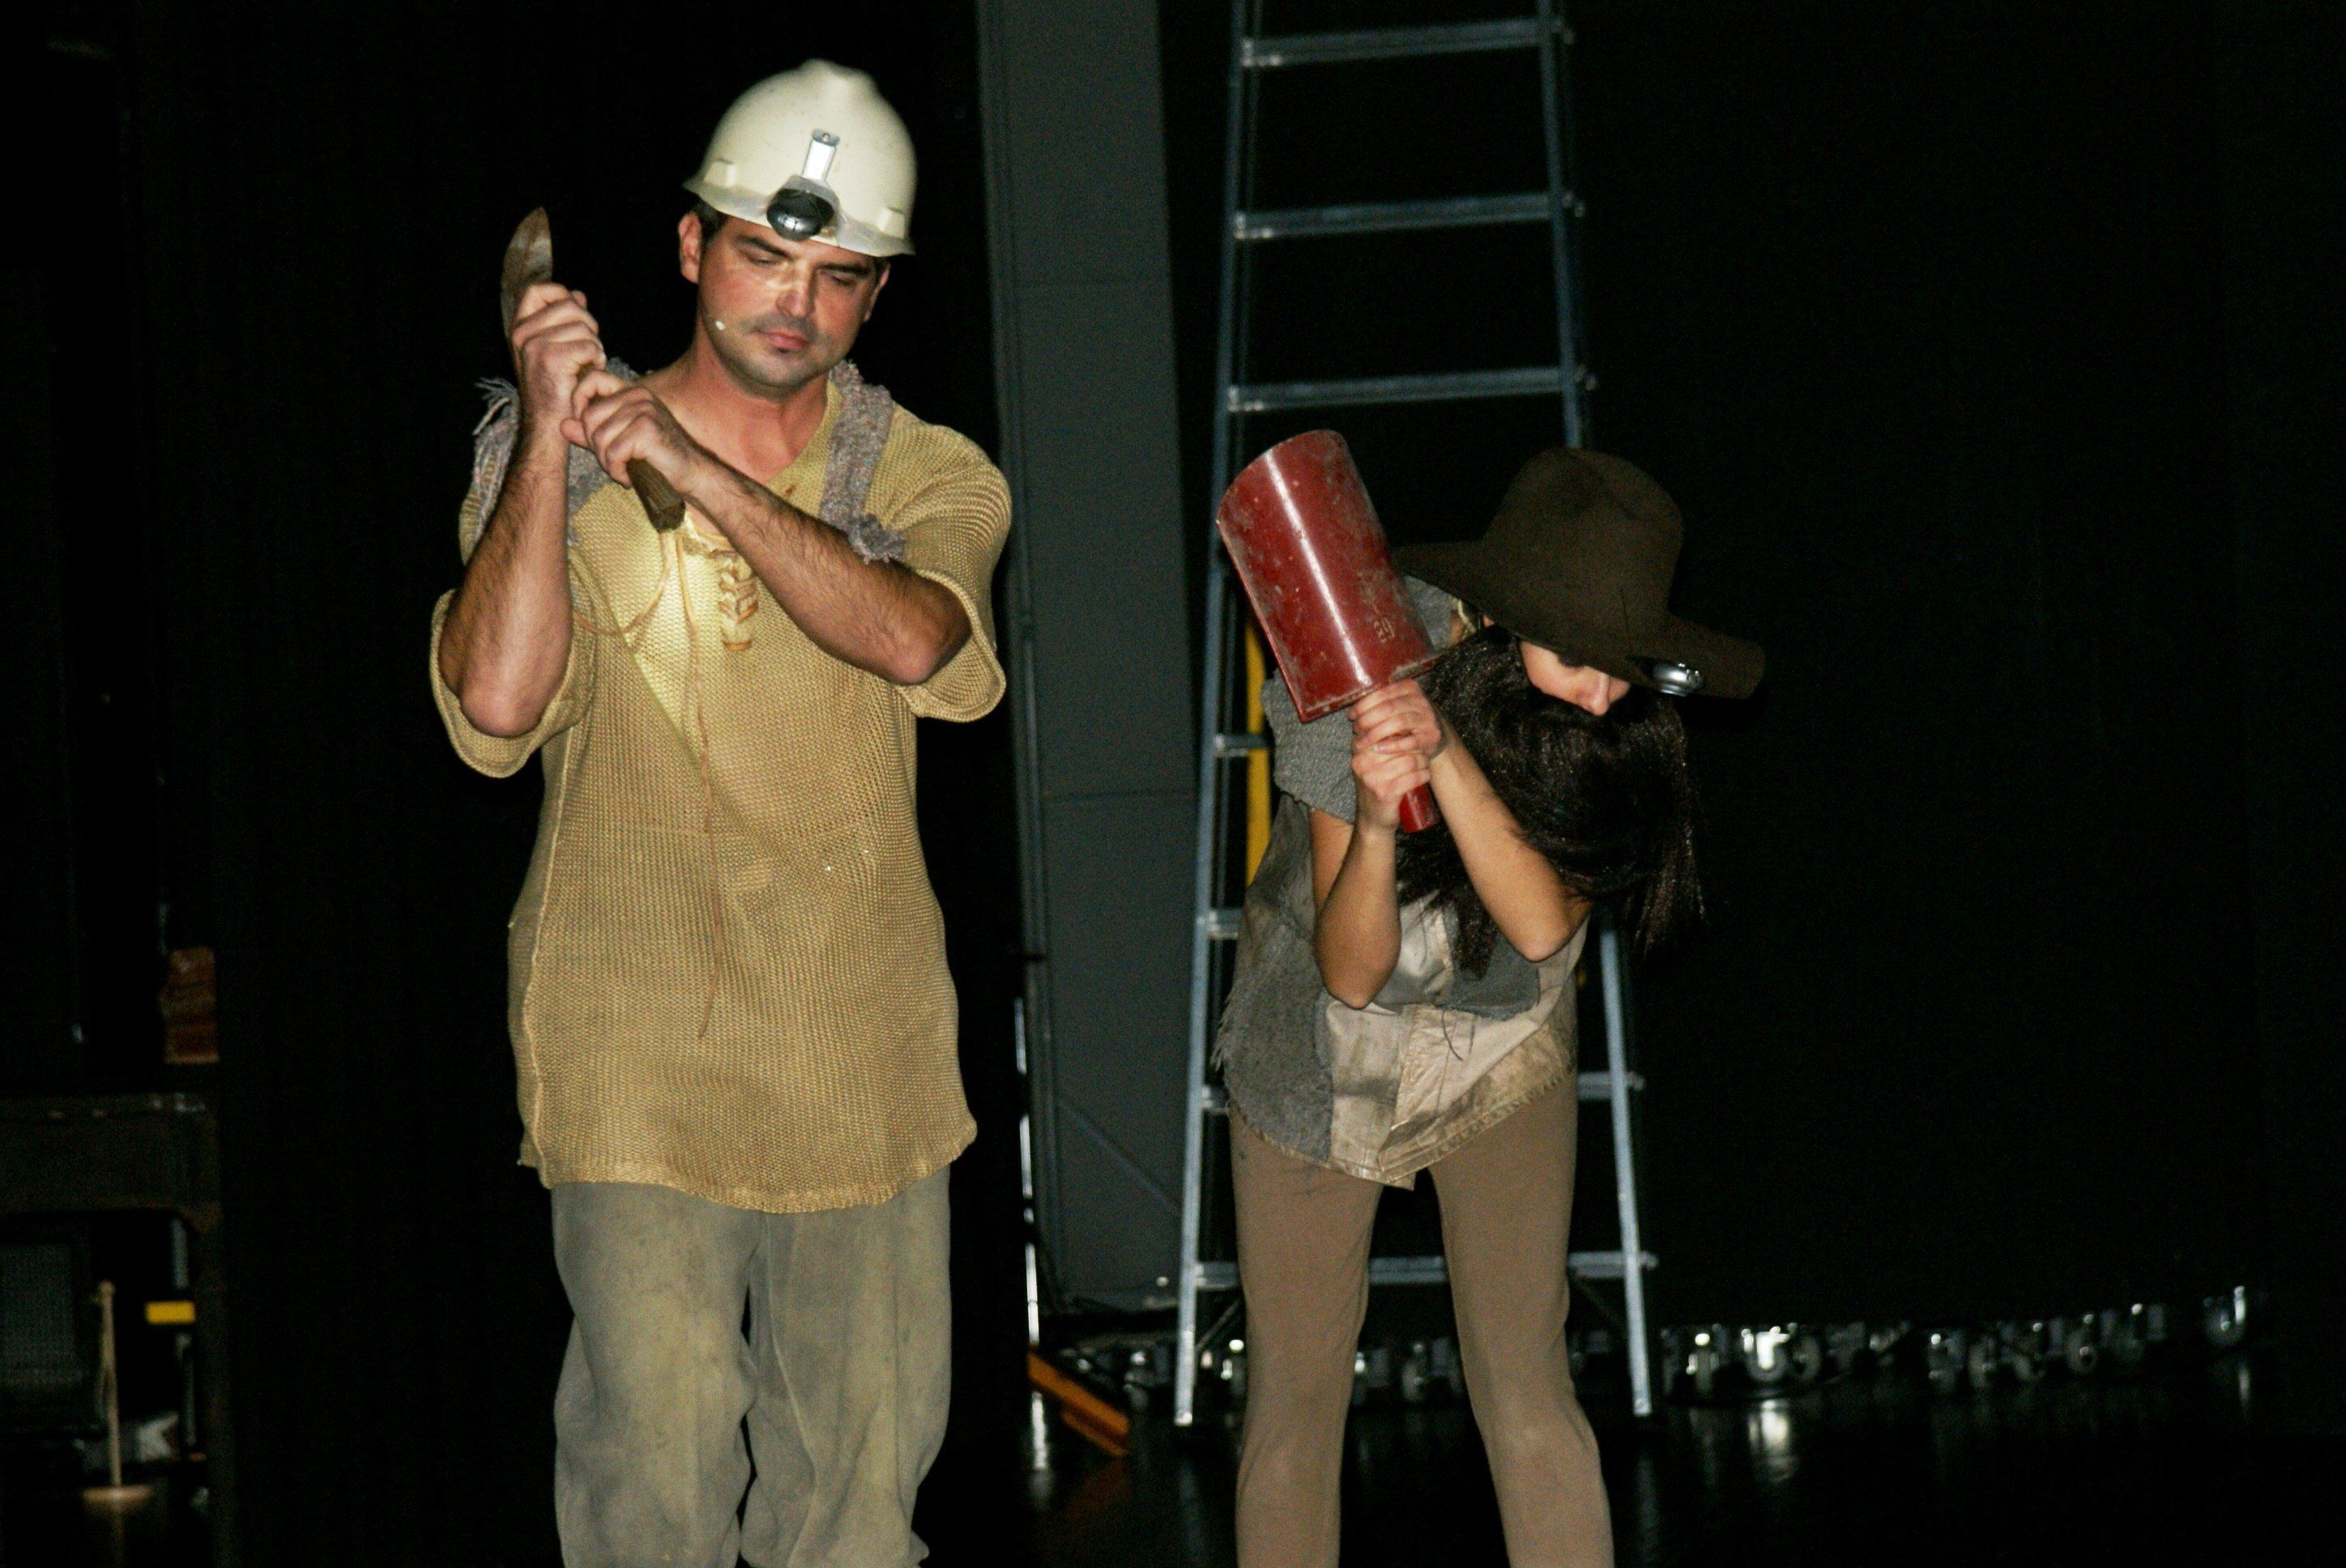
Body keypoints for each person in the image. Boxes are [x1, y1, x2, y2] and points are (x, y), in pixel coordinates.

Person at [429, 62, 1009, 1568]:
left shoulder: (924, 469)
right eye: (764, 256)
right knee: (656, 1484)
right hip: (634, 1054)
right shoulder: (549, 464)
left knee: (856, 1510)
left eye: (839, 276)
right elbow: (493, 709)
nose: (796, 305)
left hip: (861, 1055)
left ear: (877, 294)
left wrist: (691, 469)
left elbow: (916, 642)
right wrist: (550, 444)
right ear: (693, 247)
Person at [1215, 449, 1763, 1567]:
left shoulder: (1613, 726)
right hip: (1317, 1048)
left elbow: (1543, 926)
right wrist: (1377, 816)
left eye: (1624, 666)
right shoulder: (1358, 654)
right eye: (1582, 659)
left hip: (1502, 1040)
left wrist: (1445, 751)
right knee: (1294, 1408)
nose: (1604, 693)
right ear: (1504, 619)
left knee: (1526, 1385)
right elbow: (1349, 975)